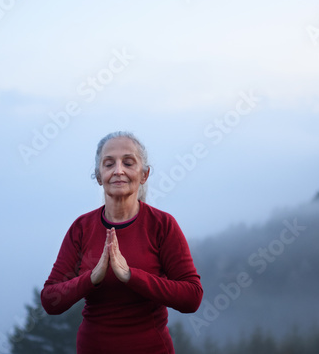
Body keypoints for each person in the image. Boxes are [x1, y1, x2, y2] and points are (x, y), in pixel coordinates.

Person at [40, 131, 203, 354]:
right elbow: (51, 300)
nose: (118, 171)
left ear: (144, 175)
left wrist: (131, 276)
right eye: (109, 164)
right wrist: (92, 278)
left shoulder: (162, 225)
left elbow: (192, 297)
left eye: (128, 162)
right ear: (99, 176)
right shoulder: (81, 228)